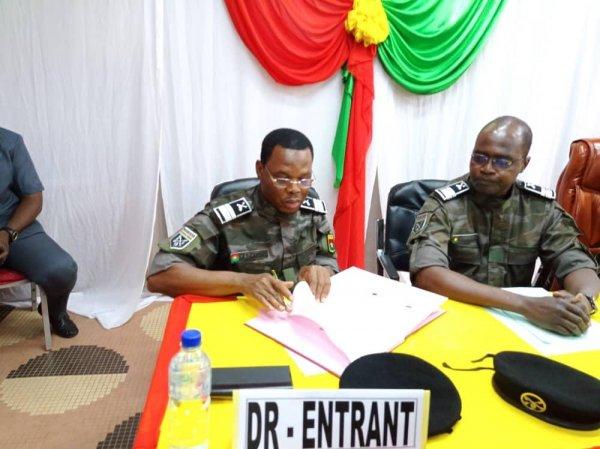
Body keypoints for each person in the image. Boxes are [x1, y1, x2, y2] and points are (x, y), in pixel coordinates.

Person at [408, 116, 600, 336]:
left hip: (518, 325)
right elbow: (428, 275)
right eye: (479, 157)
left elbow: (575, 260)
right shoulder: (445, 204)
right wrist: (525, 305)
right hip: (456, 316)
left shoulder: (540, 207)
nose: (487, 168)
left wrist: (584, 299)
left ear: (524, 164)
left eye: (502, 162)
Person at [147, 128, 338, 311]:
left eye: (304, 179)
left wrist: (321, 272)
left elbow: (328, 258)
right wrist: (242, 282)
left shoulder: (312, 210)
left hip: (299, 315)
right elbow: (160, 274)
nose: (295, 189)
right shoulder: (226, 216)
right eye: (282, 179)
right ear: (260, 169)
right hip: (240, 315)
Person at [0, 127, 78, 337]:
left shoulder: (10, 142)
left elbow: (33, 199)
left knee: (61, 269)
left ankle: (55, 311)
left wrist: (7, 233)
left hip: (12, 225)